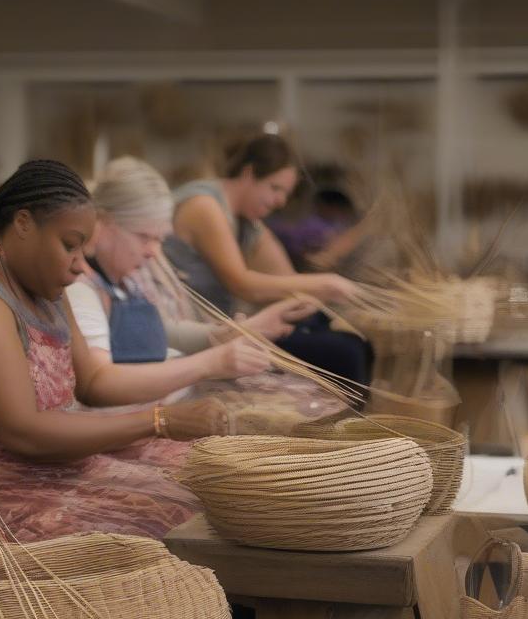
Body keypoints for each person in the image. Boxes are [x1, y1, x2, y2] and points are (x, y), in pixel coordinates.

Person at [0, 159, 270, 542]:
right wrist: (159, 420)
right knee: (188, 520)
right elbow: (24, 433)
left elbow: (93, 383)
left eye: (83, 248)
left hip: (64, 471)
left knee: (226, 484)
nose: (81, 266)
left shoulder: (44, 288)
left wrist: (194, 387)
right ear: (23, 224)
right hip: (9, 498)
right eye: (70, 245)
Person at [66, 156, 347, 433]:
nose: (154, 252)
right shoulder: (81, 289)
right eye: (145, 237)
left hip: (169, 399)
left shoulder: (126, 278)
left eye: (159, 239)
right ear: (102, 224)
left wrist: (239, 331)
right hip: (138, 417)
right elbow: (99, 386)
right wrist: (212, 362)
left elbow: (157, 332)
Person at [165, 134, 371, 387]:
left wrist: (310, 296)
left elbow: (286, 281)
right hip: (196, 330)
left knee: (347, 337)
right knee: (346, 353)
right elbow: (242, 284)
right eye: (275, 188)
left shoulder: (247, 221)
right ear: (249, 174)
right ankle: (341, 426)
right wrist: (323, 283)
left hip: (223, 326)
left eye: (286, 193)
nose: (281, 201)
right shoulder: (204, 206)